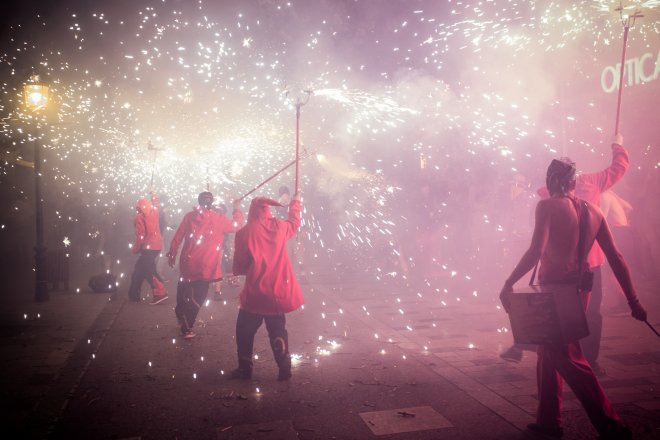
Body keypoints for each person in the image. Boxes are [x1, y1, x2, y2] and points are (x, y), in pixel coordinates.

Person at [499, 157, 646, 440]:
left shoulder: (547, 206)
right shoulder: (593, 212)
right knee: (548, 352)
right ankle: (548, 422)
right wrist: (634, 301)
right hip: (580, 290)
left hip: (555, 291)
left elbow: (535, 250)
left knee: (566, 356)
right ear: (574, 181)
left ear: (551, 180)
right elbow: (616, 258)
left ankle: (611, 425)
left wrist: (508, 282)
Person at [500, 134, 629, 373]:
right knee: (588, 313)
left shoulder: (547, 198)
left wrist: (510, 280)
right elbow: (619, 167)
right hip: (590, 264)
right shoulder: (593, 183)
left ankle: (545, 353)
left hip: (558, 267)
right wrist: (618, 145)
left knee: (546, 311)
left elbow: (536, 248)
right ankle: (588, 361)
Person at [230, 192, 303, 381]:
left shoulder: (245, 232)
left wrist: (242, 271)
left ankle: (245, 369)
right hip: (277, 292)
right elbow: (294, 223)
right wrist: (296, 204)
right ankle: (284, 367)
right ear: (267, 210)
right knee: (278, 331)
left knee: (244, 331)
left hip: (255, 293)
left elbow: (240, 263)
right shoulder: (279, 226)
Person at [167, 192, 243, 339]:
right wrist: (236, 208)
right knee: (199, 296)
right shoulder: (218, 219)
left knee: (183, 286)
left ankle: (180, 310)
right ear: (212, 203)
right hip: (206, 265)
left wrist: (172, 253)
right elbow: (237, 225)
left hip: (188, 262)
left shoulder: (189, 216)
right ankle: (187, 325)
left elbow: (178, 236)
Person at [127, 188, 168, 304]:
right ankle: (133, 295)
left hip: (147, 248)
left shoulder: (140, 218)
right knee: (139, 269)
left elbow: (141, 236)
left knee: (148, 271)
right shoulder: (154, 212)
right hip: (157, 246)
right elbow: (156, 204)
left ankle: (160, 293)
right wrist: (154, 193)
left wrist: (136, 249)